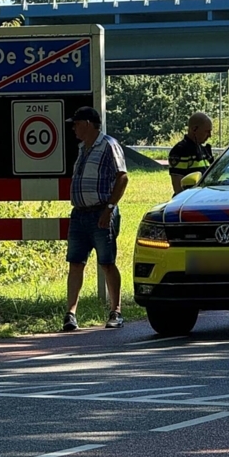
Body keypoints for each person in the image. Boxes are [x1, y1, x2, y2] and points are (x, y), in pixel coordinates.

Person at [63, 106, 129, 332]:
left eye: (76, 123)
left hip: (101, 212)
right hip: (79, 213)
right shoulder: (83, 148)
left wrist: (109, 208)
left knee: (107, 262)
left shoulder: (109, 145)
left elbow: (122, 176)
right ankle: (70, 314)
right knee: (75, 262)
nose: (73, 128)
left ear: (88, 124)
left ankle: (116, 311)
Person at [168, 112, 214, 195]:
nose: (210, 135)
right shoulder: (180, 151)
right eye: (207, 131)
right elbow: (178, 187)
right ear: (194, 129)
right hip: (190, 200)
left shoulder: (204, 150)